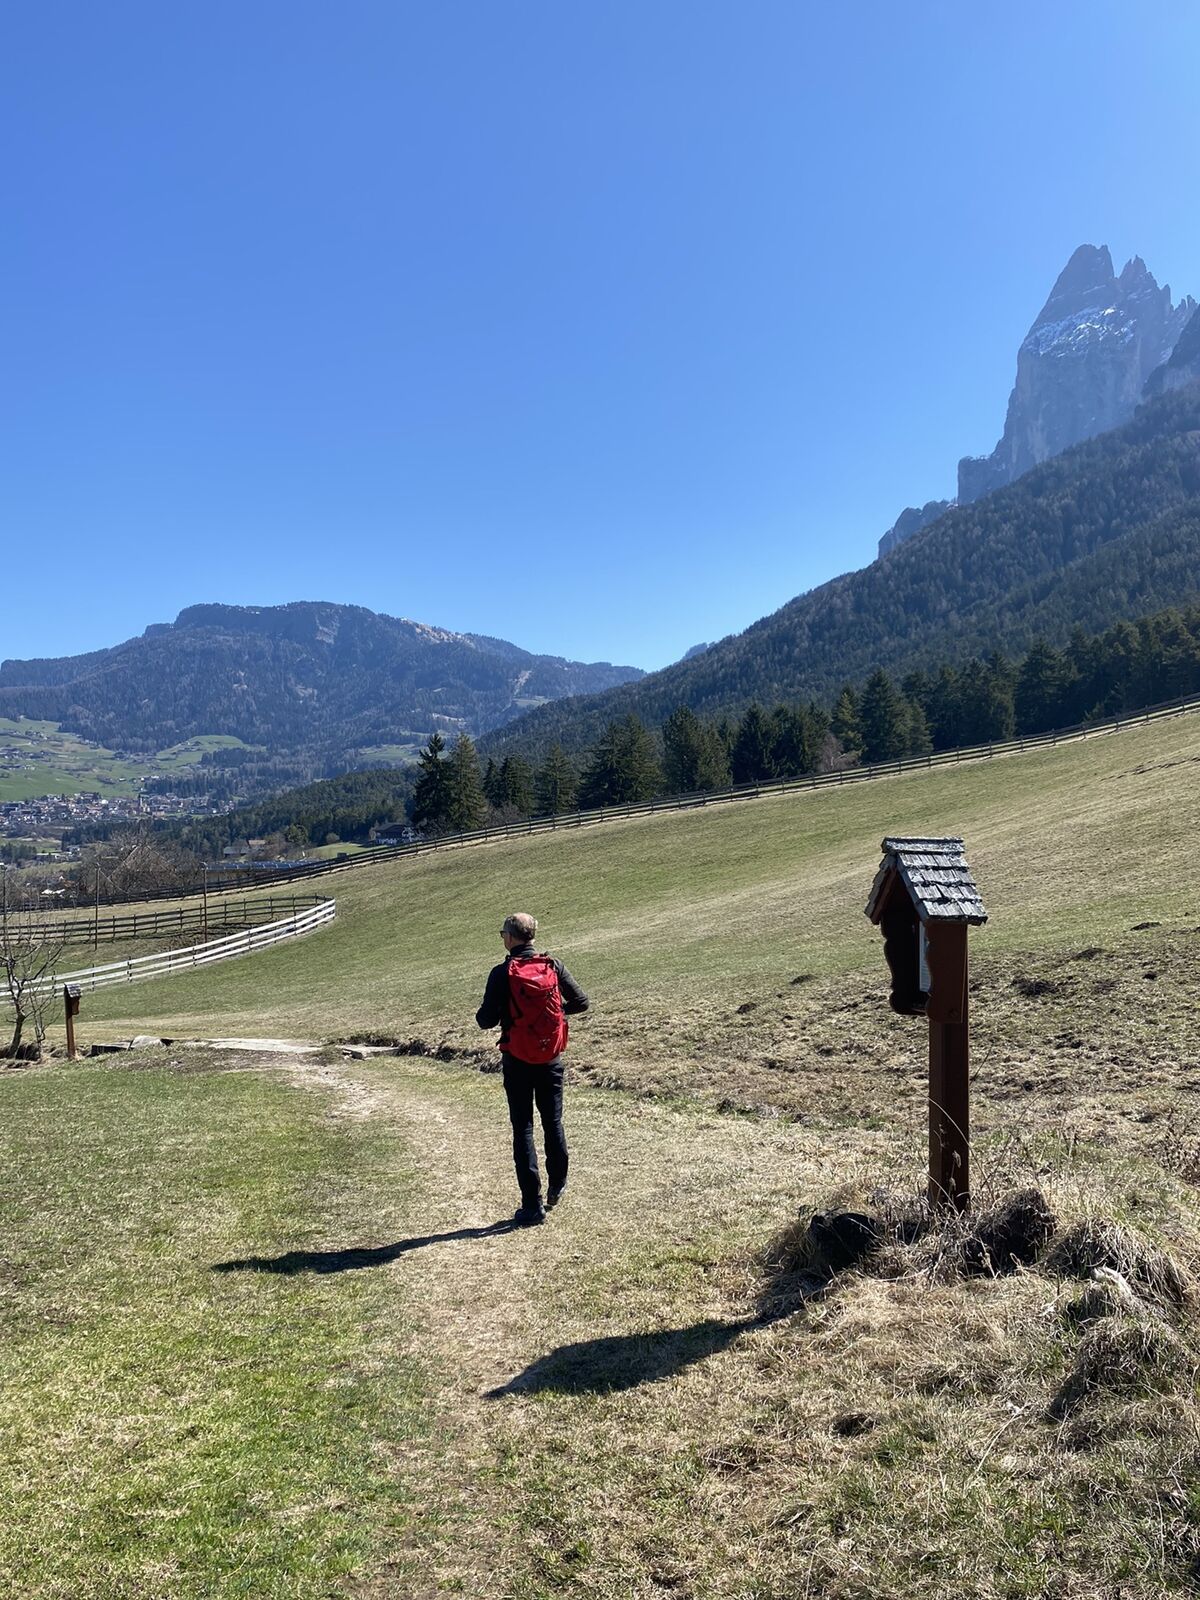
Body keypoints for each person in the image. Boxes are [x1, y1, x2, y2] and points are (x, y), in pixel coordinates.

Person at [475, 911, 589, 1226]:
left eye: (502, 934)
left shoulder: (502, 973)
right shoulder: (553, 966)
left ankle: (531, 1205)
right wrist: (554, 1015)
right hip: (550, 1058)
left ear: (511, 937)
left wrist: (506, 1014)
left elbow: (485, 1020)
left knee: (523, 1128)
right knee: (553, 1122)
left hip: (517, 1060)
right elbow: (582, 1002)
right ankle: (557, 1184)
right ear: (532, 937)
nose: (503, 938)